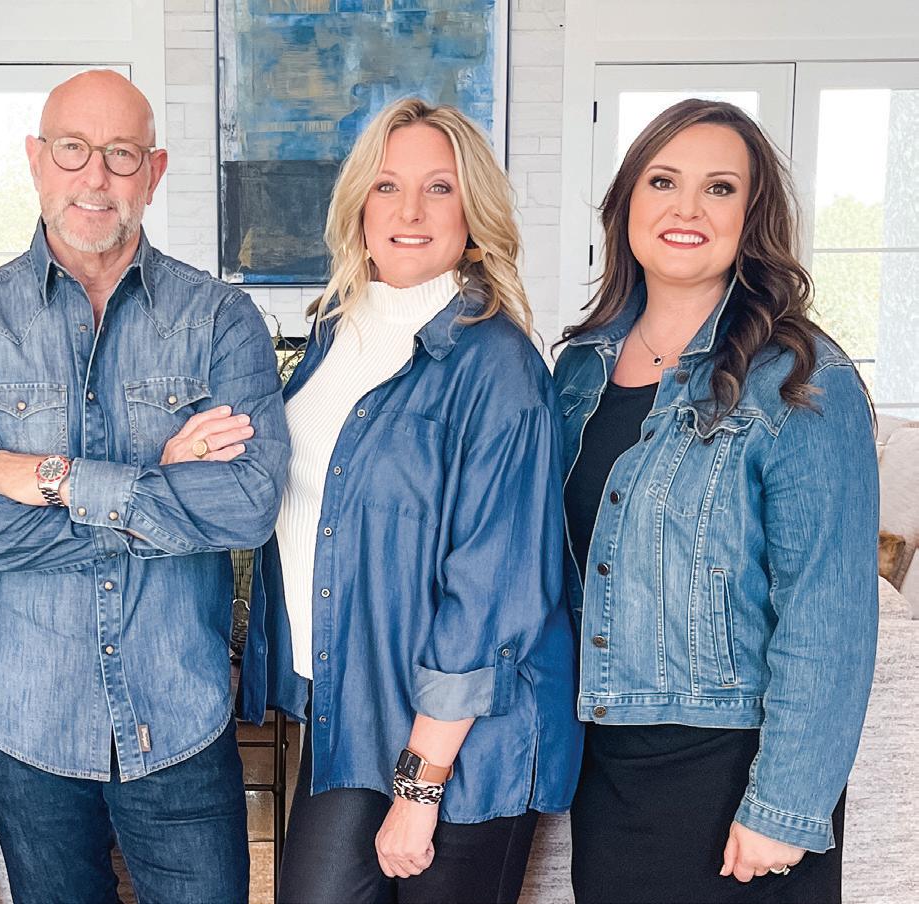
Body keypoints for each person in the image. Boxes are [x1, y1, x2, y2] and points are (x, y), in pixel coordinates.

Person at [0, 70, 289, 904]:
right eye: (73, 149)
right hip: (23, 721)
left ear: (154, 170)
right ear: (36, 159)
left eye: (120, 154)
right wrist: (160, 492)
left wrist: (53, 477)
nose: (95, 176)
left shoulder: (221, 319)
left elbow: (247, 507)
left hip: (180, 714)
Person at [239, 97, 583, 904]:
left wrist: (420, 786)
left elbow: (492, 592)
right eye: (387, 186)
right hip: (354, 706)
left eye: (439, 188)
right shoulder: (333, 334)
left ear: (473, 213)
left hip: (467, 740)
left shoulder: (497, 366)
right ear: (358, 203)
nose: (409, 211)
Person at [555, 99, 878, 903]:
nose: (687, 208)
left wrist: (784, 806)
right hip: (606, 766)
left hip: (732, 772)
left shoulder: (801, 380)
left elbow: (827, 611)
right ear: (627, 203)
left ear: (751, 217)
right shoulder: (576, 370)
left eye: (720, 188)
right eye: (663, 181)